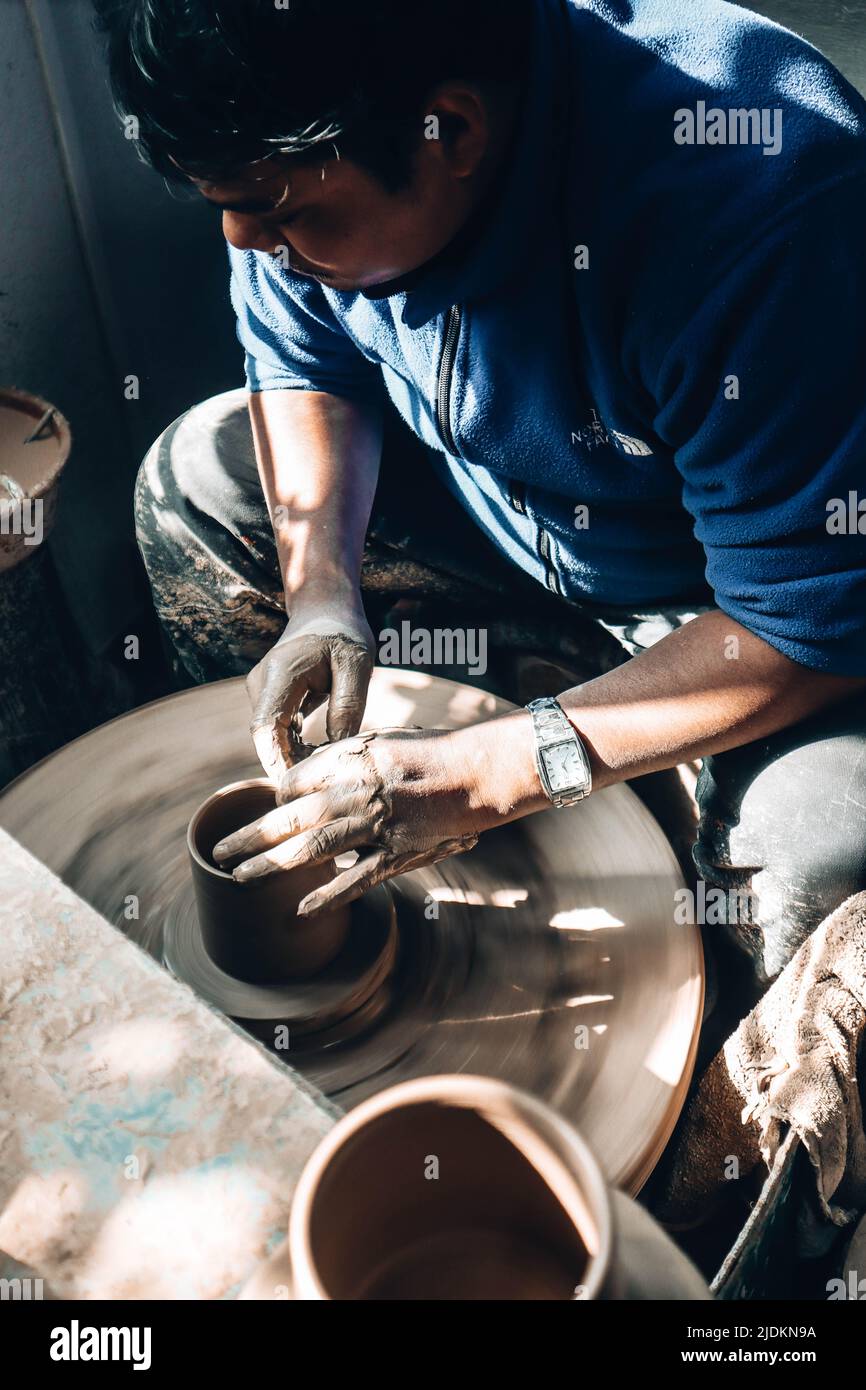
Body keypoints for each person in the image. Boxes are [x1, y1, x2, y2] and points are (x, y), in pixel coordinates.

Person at [98, 0, 866, 984]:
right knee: (198, 483)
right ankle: (370, 817)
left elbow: (809, 619)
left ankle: (669, 1006)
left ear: (449, 130)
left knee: (816, 851)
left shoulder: (760, 204)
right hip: (506, 527)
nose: (244, 240)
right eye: (228, 206)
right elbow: (300, 361)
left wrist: (498, 767)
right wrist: (321, 595)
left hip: (738, 615)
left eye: (281, 212)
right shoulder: (298, 136)